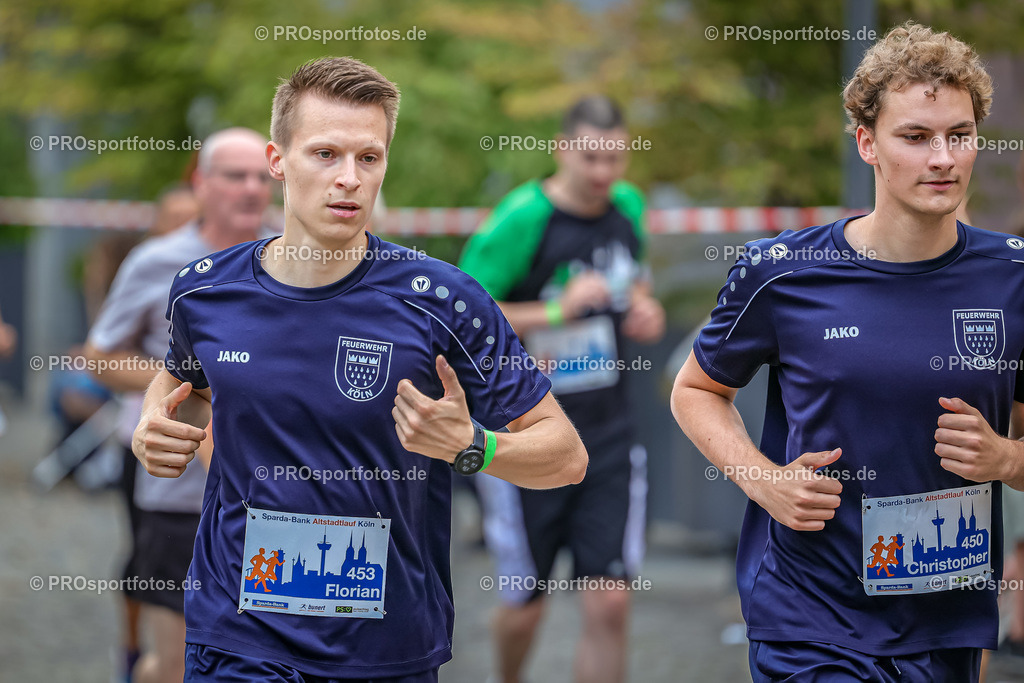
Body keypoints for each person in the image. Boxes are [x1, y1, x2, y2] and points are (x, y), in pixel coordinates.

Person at [132, 56, 587, 682]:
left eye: (368, 158)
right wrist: (151, 418)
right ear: (277, 162)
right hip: (237, 636)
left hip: (381, 650)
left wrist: (472, 446)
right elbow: (184, 373)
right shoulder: (204, 292)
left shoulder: (443, 302)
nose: (349, 178)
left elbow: (566, 455)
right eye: (325, 154)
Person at [671, 22, 1024, 682]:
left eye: (960, 135)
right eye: (916, 137)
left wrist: (1006, 457)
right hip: (811, 617)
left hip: (948, 622)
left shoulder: (1014, 278)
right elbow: (694, 389)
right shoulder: (783, 272)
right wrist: (761, 477)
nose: (943, 157)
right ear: (868, 144)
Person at [459, 95, 664, 683]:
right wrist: (553, 312)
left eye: (615, 160)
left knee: (611, 600)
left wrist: (644, 309)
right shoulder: (521, 217)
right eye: (591, 159)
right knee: (525, 606)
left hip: (608, 435)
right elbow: (464, 315)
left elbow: (635, 283)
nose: (604, 174)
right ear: (562, 149)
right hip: (527, 439)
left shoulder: (628, 207)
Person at [85, 127, 272, 683]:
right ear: (201, 183)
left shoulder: (296, 255)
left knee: (259, 656)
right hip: (179, 492)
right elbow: (99, 356)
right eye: (235, 176)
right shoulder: (158, 261)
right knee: (175, 665)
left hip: (269, 495)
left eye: (263, 177)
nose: (251, 189)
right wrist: (194, 384)